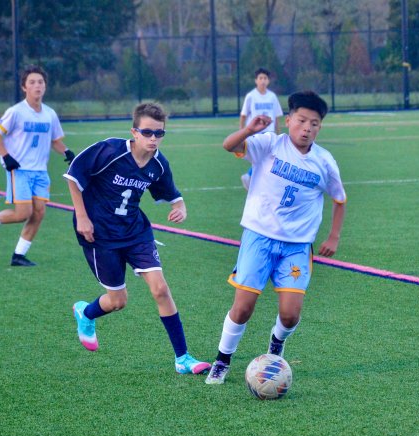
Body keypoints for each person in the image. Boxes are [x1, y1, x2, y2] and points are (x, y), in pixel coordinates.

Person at [205, 90, 347, 384]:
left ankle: (276, 344)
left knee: (290, 315)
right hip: (258, 238)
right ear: (289, 119)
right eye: (302, 120)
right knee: (243, 308)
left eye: (315, 123)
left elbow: (339, 199)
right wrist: (248, 129)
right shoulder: (269, 143)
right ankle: (222, 360)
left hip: (296, 247)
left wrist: (333, 236)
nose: (307, 128)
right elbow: (228, 145)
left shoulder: (324, 161)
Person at [63, 102, 211, 375]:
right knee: (118, 301)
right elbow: (74, 176)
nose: (154, 139)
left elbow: (173, 195)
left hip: (135, 231)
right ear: (134, 131)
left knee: (160, 289)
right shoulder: (109, 151)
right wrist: (81, 216)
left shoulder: (158, 164)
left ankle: (183, 358)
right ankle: (86, 312)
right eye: (148, 133)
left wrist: (180, 206)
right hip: (100, 234)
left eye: (159, 133)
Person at [0, 64, 75, 266]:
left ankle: (18, 256)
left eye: (40, 82)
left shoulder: (50, 114)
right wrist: (6, 157)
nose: (37, 85)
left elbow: (54, 140)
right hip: (19, 170)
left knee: (38, 213)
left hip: (40, 171)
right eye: (32, 82)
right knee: (23, 214)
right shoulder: (16, 112)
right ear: (24, 87)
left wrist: (66, 152)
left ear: (45, 86)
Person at [238, 68, 284, 190]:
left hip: (270, 132)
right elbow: (243, 115)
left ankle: (252, 177)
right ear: (256, 81)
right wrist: (241, 133)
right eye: (260, 78)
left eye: (265, 78)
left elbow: (276, 116)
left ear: (268, 81)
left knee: (267, 157)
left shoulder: (272, 96)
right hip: (256, 133)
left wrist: (278, 133)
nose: (263, 81)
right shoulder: (251, 96)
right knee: (265, 157)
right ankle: (249, 175)